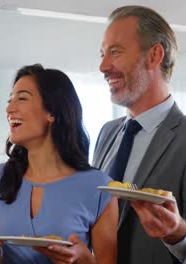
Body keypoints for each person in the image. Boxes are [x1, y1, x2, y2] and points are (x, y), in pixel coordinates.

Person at [0, 64, 118, 263]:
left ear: (52, 112)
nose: (9, 108)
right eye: (10, 100)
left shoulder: (99, 188)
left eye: (21, 98)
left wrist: (85, 260)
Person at [94, 5, 186, 264]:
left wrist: (178, 234)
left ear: (154, 55)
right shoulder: (107, 134)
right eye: (102, 54)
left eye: (115, 52)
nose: (103, 66)